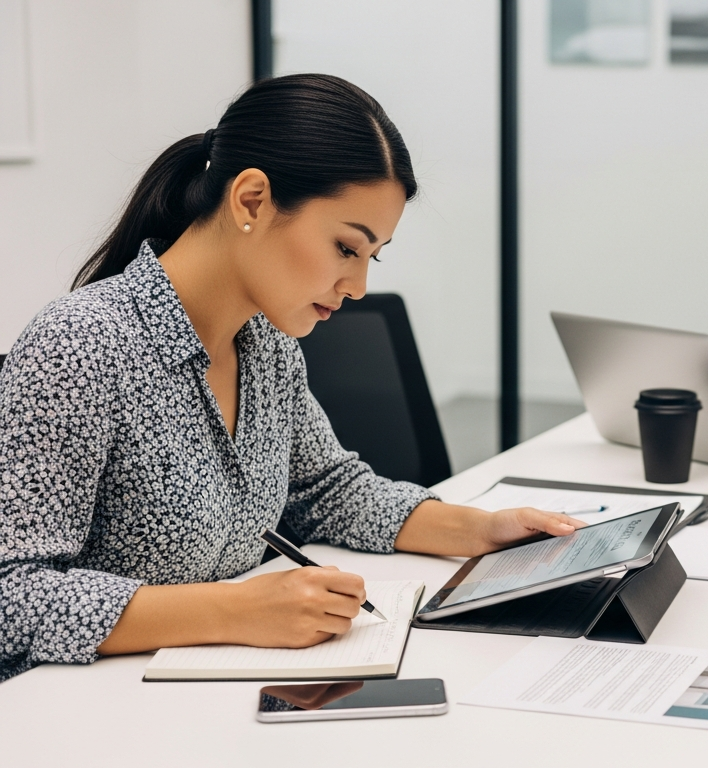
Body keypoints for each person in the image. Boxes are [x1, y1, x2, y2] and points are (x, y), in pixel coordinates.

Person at [0, 74, 584, 683]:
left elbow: (326, 492)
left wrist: (483, 531)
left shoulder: (266, 344)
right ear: (251, 200)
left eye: (371, 256)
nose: (358, 287)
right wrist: (234, 610)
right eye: (344, 247)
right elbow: (8, 599)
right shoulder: (82, 346)